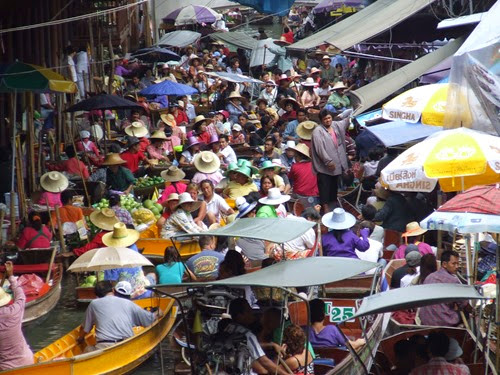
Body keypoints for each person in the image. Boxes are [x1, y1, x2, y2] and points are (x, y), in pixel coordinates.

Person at [78, 280, 156, 352]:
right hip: (127, 344)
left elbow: (85, 329)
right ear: (113, 290)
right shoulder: (127, 302)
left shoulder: (93, 304)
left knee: (88, 349)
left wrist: (80, 339)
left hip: (105, 346)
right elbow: (149, 319)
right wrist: (157, 313)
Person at [224, 298, 290, 375]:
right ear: (239, 316)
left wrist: (272, 345)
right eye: (248, 311)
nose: (252, 313)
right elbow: (264, 363)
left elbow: (253, 346)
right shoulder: (247, 335)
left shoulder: (228, 328)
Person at [310, 108, 352, 212]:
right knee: (324, 187)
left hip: (337, 163)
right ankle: (325, 208)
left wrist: (344, 114)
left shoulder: (336, 125)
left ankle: (333, 204)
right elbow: (320, 149)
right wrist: (328, 161)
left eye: (329, 118)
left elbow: (349, 116)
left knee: (334, 186)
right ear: (321, 120)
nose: (328, 120)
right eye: (325, 119)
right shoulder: (317, 131)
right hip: (324, 167)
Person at [419, 251, 470, 327]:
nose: (457, 267)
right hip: (443, 321)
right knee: (466, 314)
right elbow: (463, 303)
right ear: (444, 264)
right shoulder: (453, 281)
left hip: (425, 320)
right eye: (453, 264)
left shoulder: (430, 277)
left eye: (457, 264)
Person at [0, 261, 34, 370]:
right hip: (26, 361)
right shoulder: (14, 311)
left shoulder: (14, 311)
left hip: (6, 368)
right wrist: (11, 276)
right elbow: (20, 296)